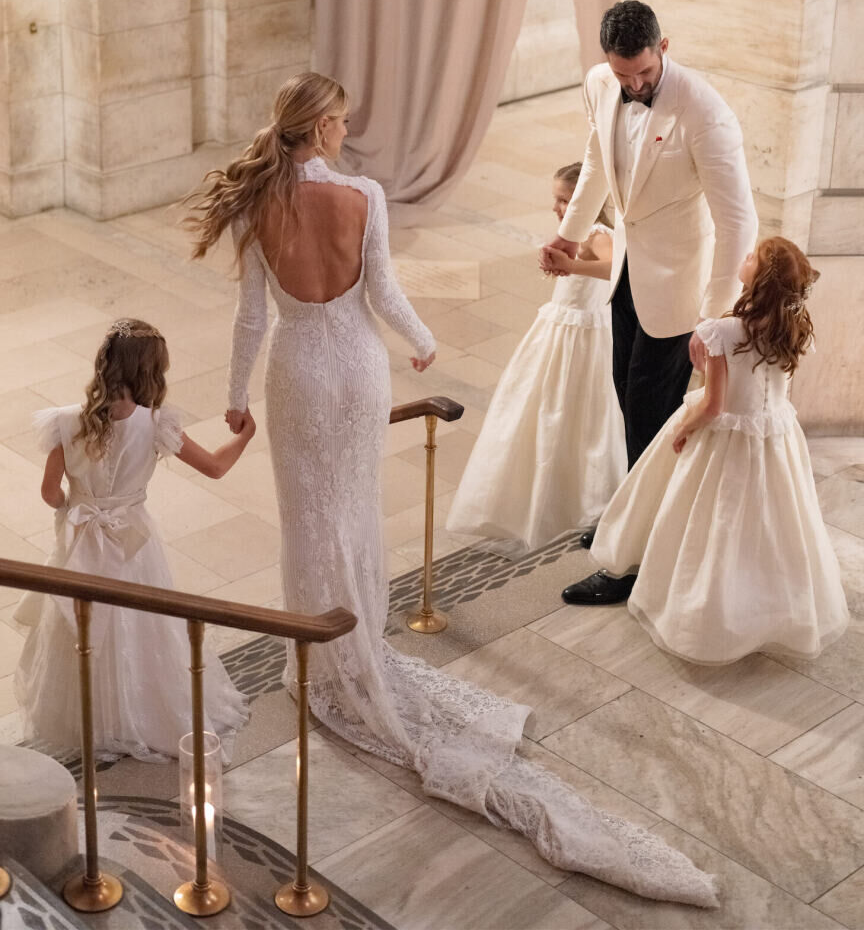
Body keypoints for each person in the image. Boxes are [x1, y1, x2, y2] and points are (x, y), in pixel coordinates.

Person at [183, 71, 717, 907]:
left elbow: (254, 317)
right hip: (355, 372)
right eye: (342, 120)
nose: (346, 130)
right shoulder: (363, 195)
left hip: (295, 375)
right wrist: (424, 342)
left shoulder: (256, 206)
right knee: (354, 513)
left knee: (306, 520)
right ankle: (354, 645)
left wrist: (232, 396)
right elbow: (385, 292)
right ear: (320, 126)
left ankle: (322, 662)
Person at [541, 0, 758, 605]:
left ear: (665, 46)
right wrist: (571, 234)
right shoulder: (599, 82)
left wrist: (714, 320)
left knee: (651, 413)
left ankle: (632, 561)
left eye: (642, 73)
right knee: (625, 397)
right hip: (630, 276)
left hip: (683, 288)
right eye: (622, 75)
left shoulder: (706, 114)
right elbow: (594, 161)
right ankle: (631, 517)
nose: (633, 85)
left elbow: (738, 222)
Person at [584, 238, 849, 662]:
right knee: (770, 518)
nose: (743, 258)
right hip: (775, 434)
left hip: (725, 438)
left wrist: (683, 428)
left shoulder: (724, 330)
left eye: (751, 257)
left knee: (714, 518)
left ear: (759, 279)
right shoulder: (793, 328)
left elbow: (714, 404)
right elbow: (764, 384)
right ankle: (770, 600)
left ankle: (698, 604)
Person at [14, 319, 253, 761]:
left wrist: (71, 506)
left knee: (83, 627)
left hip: (80, 538)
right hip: (134, 544)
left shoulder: (67, 422)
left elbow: (49, 493)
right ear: (151, 373)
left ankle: (91, 718)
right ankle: (139, 711)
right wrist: (245, 435)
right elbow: (217, 467)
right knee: (140, 629)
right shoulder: (156, 424)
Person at [446, 163, 626, 554]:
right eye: (556, 200)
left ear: (587, 201)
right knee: (538, 410)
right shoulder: (576, 233)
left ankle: (577, 500)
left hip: (584, 337)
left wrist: (571, 265)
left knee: (578, 415)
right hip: (558, 330)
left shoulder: (600, 233)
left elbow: (614, 268)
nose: (558, 208)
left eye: (566, 200)